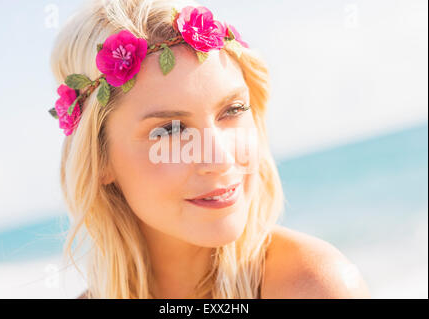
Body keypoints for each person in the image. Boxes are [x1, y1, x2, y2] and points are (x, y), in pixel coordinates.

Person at [49, 0, 370, 299]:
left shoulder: (312, 286)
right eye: (170, 130)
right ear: (100, 159)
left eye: (232, 110)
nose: (220, 159)